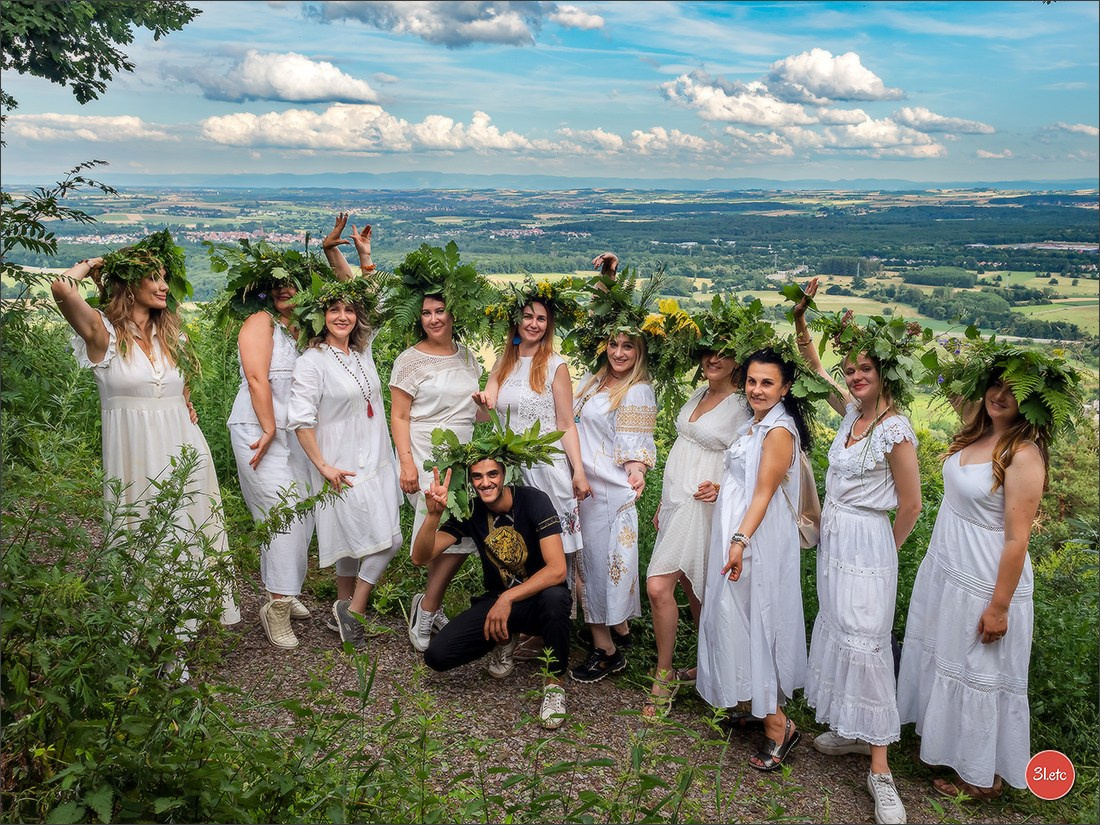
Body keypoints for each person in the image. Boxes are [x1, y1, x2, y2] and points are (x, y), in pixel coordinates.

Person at [897, 339, 1077, 800]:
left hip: (985, 579)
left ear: (1034, 401)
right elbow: (941, 375)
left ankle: (982, 779)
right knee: (948, 657)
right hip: (949, 567)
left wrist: (999, 607)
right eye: (995, 384)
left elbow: (1017, 539)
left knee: (979, 671)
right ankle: (947, 748)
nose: (1000, 395)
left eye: (1013, 390)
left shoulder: (1024, 454)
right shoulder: (980, 430)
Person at [51, 231, 240, 642]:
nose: (163, 286)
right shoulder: (102, 334)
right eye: (153, 277)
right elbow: (62, 289)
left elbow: (180, 391)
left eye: (165, 278)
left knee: (189, 528)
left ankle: (184, 632)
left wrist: (186, 402)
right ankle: (144, 632)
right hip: (135, 451)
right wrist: (96, 263)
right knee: (140, 529)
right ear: (128, 284)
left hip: (184, 446)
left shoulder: (172, 336)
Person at [792, 283, 924, 825]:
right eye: (850, 370)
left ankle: (881, 772)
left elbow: (912, 505)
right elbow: (813, 368)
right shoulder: (850, 414)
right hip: (837, 543)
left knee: (868, 644)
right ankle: (852, 731)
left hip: (870, 545)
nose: (853, 377)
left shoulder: (895, 429)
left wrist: (884, 557)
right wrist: (802, 321)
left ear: (885, 372)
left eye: (864, 368)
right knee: (840, 626)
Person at [222, 214, 367, 649]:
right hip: (258, 429)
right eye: (278, 283)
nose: (287, 288)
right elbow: (257, 379)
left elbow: (356, 297)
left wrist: (339, 253)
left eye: (296, 283)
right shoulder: (260, 323)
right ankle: (278, 607)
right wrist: (269, 427)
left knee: (301, 516)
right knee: (282, 516)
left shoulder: (311, 328)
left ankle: (283, 587)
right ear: (265, 290)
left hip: (300, 433)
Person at [696, 347, 811, 772]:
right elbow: (746, 482)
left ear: (785, 387)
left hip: (758, 538)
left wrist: (740, 541)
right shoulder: (754, 423)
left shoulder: (779, 430)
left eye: (767, 383)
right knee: (735, 616)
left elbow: (764, 493)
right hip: (739, 529)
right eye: (752, 381)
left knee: (758, 619)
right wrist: (720, 489)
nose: (757, 389)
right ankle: (755, 701)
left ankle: (780, 725)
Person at [411, 429, 572, 730]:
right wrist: (433, 515)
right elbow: (421, 557)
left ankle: (554, 685)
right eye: (477, 476)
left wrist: (507, 597)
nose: (485, 482)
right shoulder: (470, 511)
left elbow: (557, 570)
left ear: (505, 473)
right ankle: (504, 636)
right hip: (499, 602)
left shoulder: (534, 501)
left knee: (557, 598)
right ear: (470, 481)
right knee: (437, 656)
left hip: (537, 601)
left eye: (492, 474)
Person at [474, 278, 589, 670]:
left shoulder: (555, 366)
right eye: (528, 316)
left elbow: (566, 422)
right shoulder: (502, 363)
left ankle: (552, 632)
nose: (534, 323)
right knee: (514, 550)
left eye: (541, 318)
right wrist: (482, 403)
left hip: (547, 468)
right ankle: (516, 628)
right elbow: (485, 415)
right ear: (516, 321)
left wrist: (578, 471)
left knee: (552, 554)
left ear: (548, 324)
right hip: (512, 470)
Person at [286, 271, 401, 651]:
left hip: (378, 457)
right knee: (390, 541)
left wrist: (365, 259)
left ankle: (343, 609)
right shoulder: (312, 361)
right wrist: (323, 466)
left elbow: (378, 297)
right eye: (333, 309)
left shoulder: (361, 350)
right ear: (319, 317)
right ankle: (355, 610)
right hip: (341, 463)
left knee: (361, 541)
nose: (342, 316)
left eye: (349, 310)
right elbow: (300, 419)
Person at [388, 244, 493, 652]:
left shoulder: (468, 356)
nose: (432, 319)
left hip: (466, 453)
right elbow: (399, 416)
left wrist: (486, 415)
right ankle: (429, 606)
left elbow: (476, 413)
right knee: (438, 533)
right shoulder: (409, 361)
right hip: (428, 451)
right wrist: (407, 464)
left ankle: (427, 604)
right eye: (426, 313)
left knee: (463, 534)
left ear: (453, 315)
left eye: (440, 311)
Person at [645, 347, 749, 716]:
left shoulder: (743, 404)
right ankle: (716, 673)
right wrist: (663, 500)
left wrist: (724, 491)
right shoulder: (700, 392)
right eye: (707, 353)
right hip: (678, 499)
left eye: (723, 354)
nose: (712, 360)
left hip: (705, 503)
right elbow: (683, 447)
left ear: (739, 359)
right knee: (695, 592)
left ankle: (665, 674)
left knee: (660, 586)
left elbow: (749, 458)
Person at [570, 330, 657, 682]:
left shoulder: (637, 390)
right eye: (613, 344)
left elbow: (637, 444)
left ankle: (606, 651)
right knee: (586, 562)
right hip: (583, 483)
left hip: (606, 489)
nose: (619, 353)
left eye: (628, 347)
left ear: (640, 353)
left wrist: (637, 471)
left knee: (595, 567)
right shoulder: (595, 380)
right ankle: (619, 629)